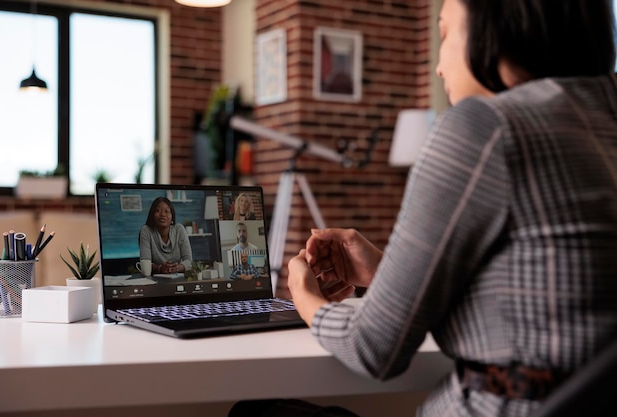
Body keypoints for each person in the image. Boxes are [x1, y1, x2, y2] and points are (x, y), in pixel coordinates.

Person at [257, 1, 617, 417]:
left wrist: (302, 293)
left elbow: (372, 349)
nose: (438, 67)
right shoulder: (598, 121)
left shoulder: (484, 125)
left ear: (493, 28)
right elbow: (550, 290)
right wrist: (390, 271)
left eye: (444, 33)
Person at [139, 196, 192, 274]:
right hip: (155, 280)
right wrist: (160, 268)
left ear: (172, 217)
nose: (162, 214)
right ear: (152, 215)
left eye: (166, 211)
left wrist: (176, 268)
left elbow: (188, 261)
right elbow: (145, 262)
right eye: (158, 210)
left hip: (177, 278)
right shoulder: (146, 230)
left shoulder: (179, 229)